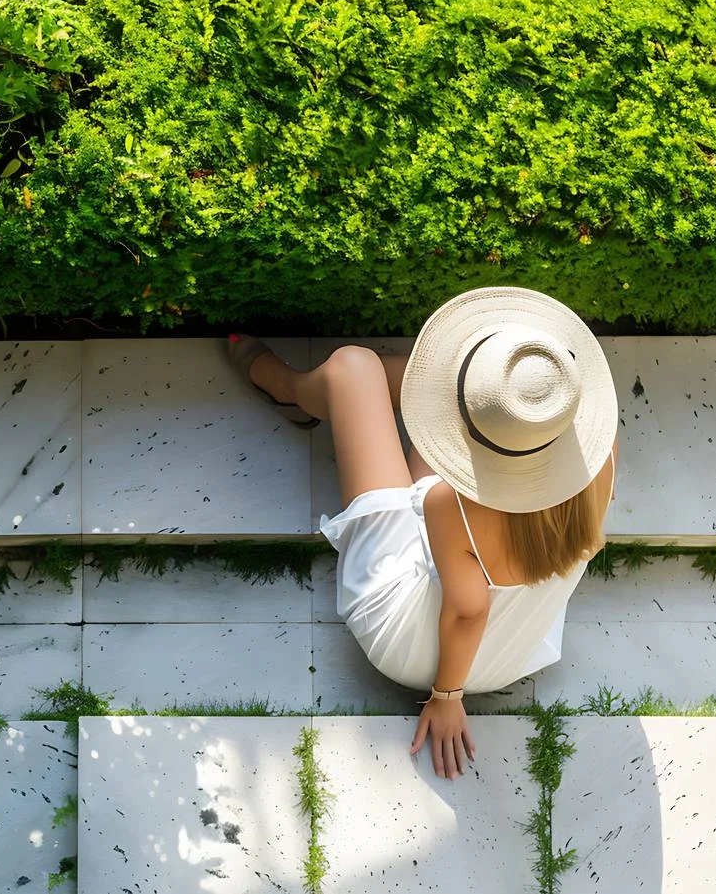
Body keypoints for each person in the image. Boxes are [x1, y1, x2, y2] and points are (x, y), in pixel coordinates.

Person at [231, 287, 618, 780]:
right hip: (514, 648)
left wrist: (447, 698)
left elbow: (469, 609)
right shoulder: (600, 458)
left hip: (417, 645)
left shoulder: (450, 501)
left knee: (353, 367)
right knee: (441, 386)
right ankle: (332, 391)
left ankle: (289, 390)